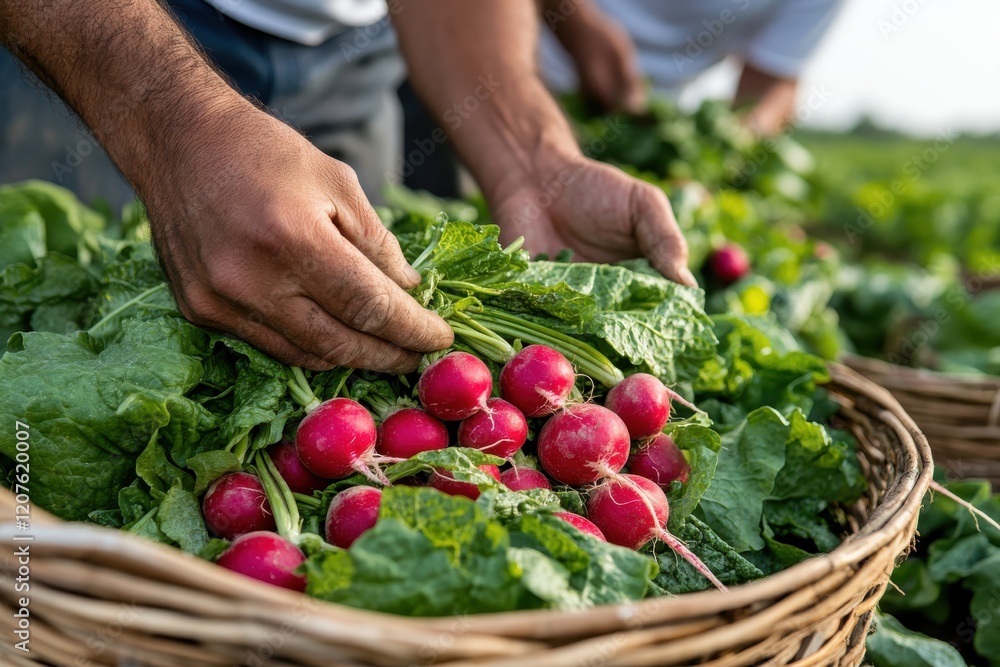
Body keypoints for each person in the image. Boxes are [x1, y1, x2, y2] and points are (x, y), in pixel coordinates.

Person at [0, 0, 695, 374]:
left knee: (341, 320)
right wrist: (168, 120)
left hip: (359, 55)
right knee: (49, 323)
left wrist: (529, 157)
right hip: (112, 32)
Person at [541, 0, 844, 134]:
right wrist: (576, 26)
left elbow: (771, 79)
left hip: (658, 123)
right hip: (526, 71)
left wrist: (733, 144)